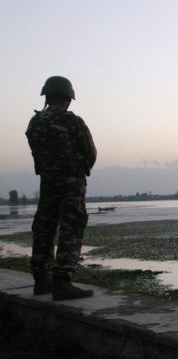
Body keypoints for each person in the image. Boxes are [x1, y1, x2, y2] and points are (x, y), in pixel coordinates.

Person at [26, 76, 97, 301]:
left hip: (47, 181)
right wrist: (79, 168)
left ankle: (41, 279)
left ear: (47, 96)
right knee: (71, 227)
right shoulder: (72, 121)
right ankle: (62, 281)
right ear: (68, 98)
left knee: (44, 227)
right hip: (71, 182)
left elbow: (35, 150)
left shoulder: (35, 122)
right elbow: (90, 151)